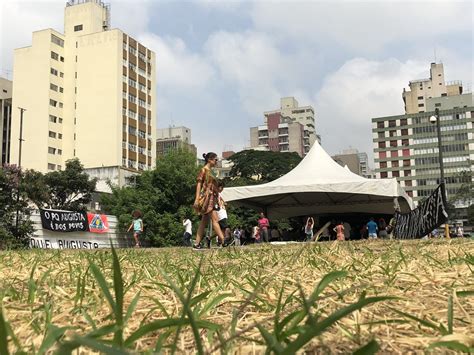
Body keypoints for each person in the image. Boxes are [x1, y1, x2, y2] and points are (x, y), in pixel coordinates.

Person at [192, 152, 225, 249]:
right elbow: (199, 184)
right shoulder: (204, 170)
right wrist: (197, 199)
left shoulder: (211, 171)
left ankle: (197, 243)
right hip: (207, 199)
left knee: (204, 221)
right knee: (215, 220)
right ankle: (223, 240)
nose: (216, 161)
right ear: (210, 160)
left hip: (212, 198)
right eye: (215, 160)